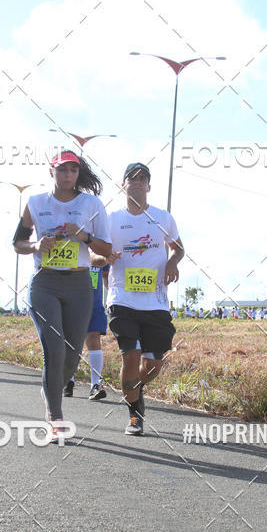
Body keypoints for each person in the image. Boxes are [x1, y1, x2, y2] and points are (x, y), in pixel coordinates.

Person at [13, 151, 111, 440]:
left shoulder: (91, 204)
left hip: (80, 283)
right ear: (51, 171)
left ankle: (51, 386)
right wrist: (36, 246)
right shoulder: (35, 203)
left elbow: (106, 249)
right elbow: (17, 243)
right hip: (45, 283)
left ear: (78, 174)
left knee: (70, 356)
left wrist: (85, 237)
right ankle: (55, 416)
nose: (68, 175)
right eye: (62, 170)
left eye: (73, 170)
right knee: (53, 350)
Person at [101, 162, 184, 436]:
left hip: (155, 302)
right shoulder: (111, 219)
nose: (137, 182)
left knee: (153, 364)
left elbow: (179, 248)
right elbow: (90, 254)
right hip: (122, 299)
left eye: (142, 178)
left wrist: (172, 261)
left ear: (149, 185)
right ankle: (135, 415)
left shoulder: (163, 217)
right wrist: (104, 257)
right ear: (123, 184)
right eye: (131, 178)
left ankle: (135, 388)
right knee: (130, 357)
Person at [64, 264, 110, 400]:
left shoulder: (99, 247)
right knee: (71, 342)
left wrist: (112, 294)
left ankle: (95, 385)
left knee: (93, 339)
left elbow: (106, 274)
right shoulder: (71, 244)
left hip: (94, 304)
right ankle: (68, 380)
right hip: (71, 303)